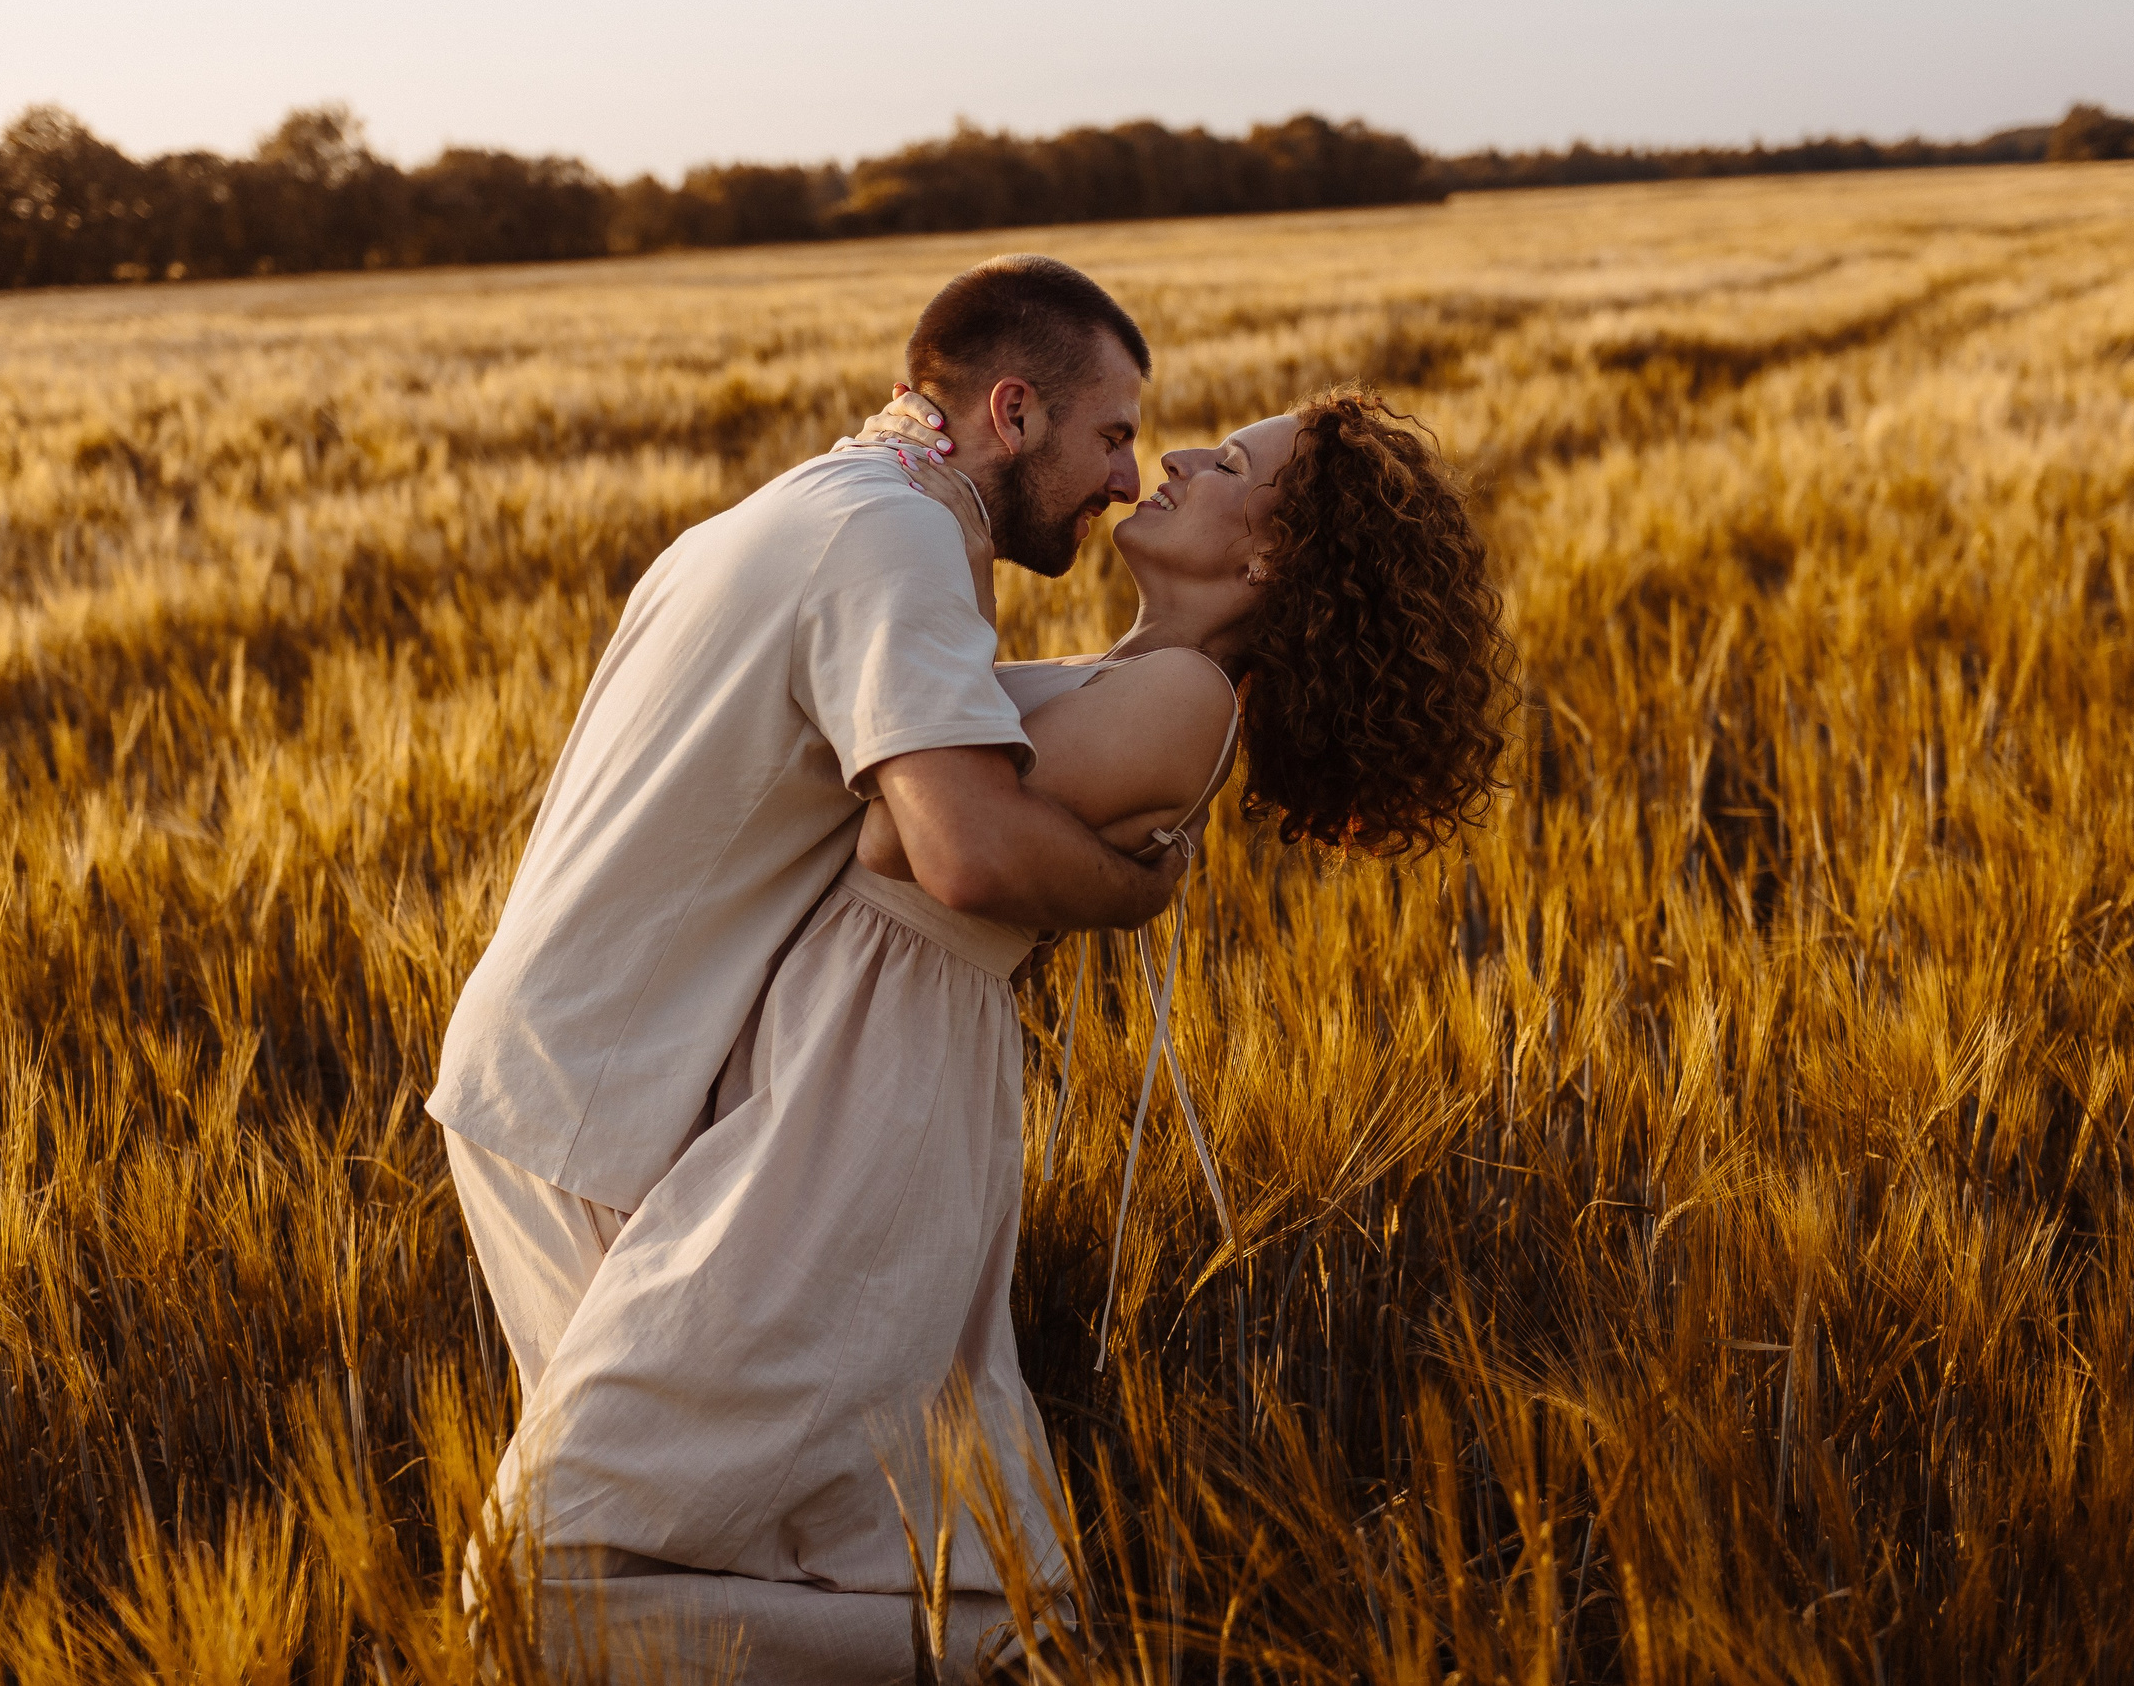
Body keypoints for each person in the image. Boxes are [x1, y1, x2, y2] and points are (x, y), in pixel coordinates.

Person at [455, 356, 1513, 1679]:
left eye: (1232, 469)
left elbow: (914, 836)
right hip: (829, 1080)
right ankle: (987, 1642)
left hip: (852, 1119)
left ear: (1270, 565)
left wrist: (1088, 867)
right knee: (755, 1521)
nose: (1177, 463)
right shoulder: (1121, 675)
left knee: (540, 1580)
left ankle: (993, 1652)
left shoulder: (1180, 701)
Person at [430, 255, 1188, 1677]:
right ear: (1010, 411)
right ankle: (993, 1658)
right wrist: (1135, 893)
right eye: (1111, 433)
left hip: (553, 1074)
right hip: (620, 1099)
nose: (1128, 477)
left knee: (677, 1537)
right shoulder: (893, 544)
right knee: (611, 1566)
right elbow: (960, 845)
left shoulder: (803, 509)